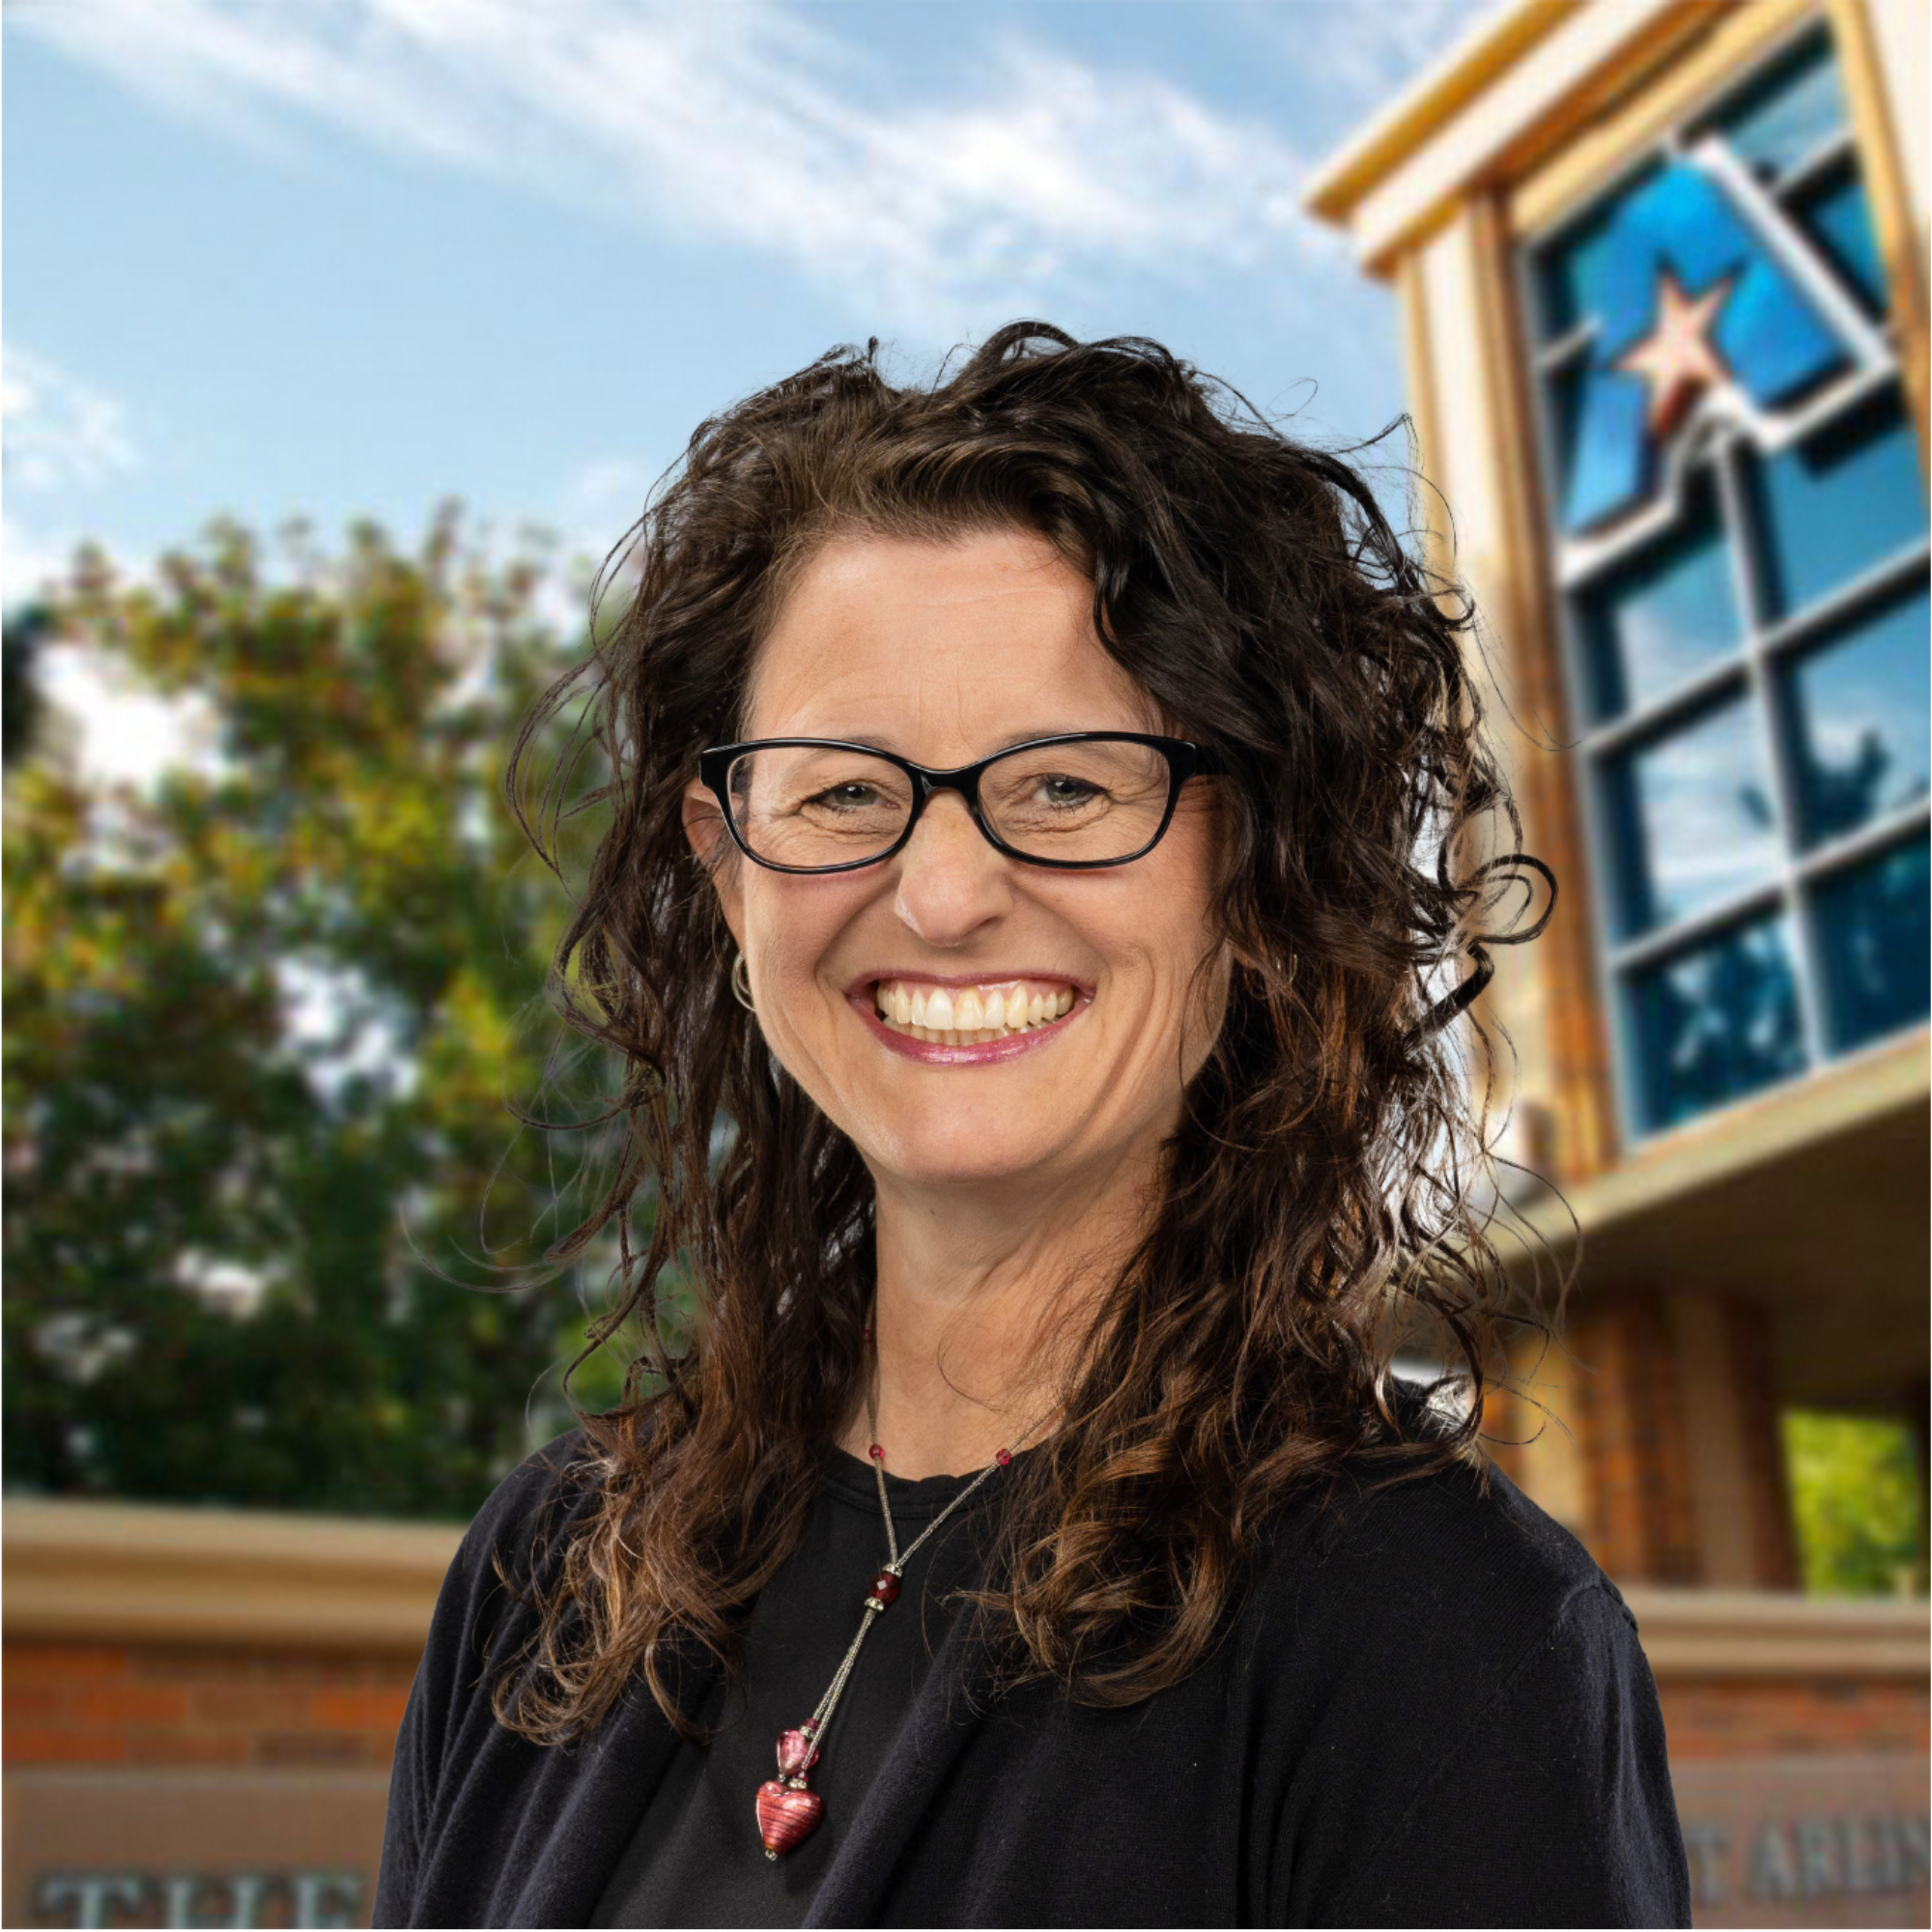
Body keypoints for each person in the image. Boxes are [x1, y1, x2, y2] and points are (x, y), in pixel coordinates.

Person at [373, 323, 1690, 1928]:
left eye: (1068, 784)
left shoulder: (1444, 1641)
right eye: (844, 791)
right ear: (725, 866)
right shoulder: (544, 1570)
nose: (940, 893)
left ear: (1256, 861)